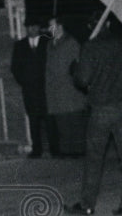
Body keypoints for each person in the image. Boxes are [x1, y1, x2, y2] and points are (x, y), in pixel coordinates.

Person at [65, 15, 122, 216]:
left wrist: (75, 68)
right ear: (108, 24)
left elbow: (83, 79)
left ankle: (87, 204)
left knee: (94, 158)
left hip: (101, 109)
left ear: (93, 26)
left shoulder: (91, 47)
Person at [44, 17, 87, 156]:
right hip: (55, 91)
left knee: (74, 121)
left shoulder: (71, 43)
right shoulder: (50, 45)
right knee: (62, 122)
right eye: (49, 27)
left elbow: (77, 66)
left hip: (69, 90)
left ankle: (78, 151)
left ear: (60, 27)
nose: (50, 29)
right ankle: (66, 151)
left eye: (53, 26)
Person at [11, 16, 51, 158]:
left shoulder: (47, 42)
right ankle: (37, 149)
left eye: (34, 26)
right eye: (29, 27)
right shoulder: (20, 45)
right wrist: (25, 82)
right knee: (33, 120)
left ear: (39, 28)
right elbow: (15, 68)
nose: (31, 30)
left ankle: (54, 149)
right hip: (29, 90)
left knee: (49, 119)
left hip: (46, 88)